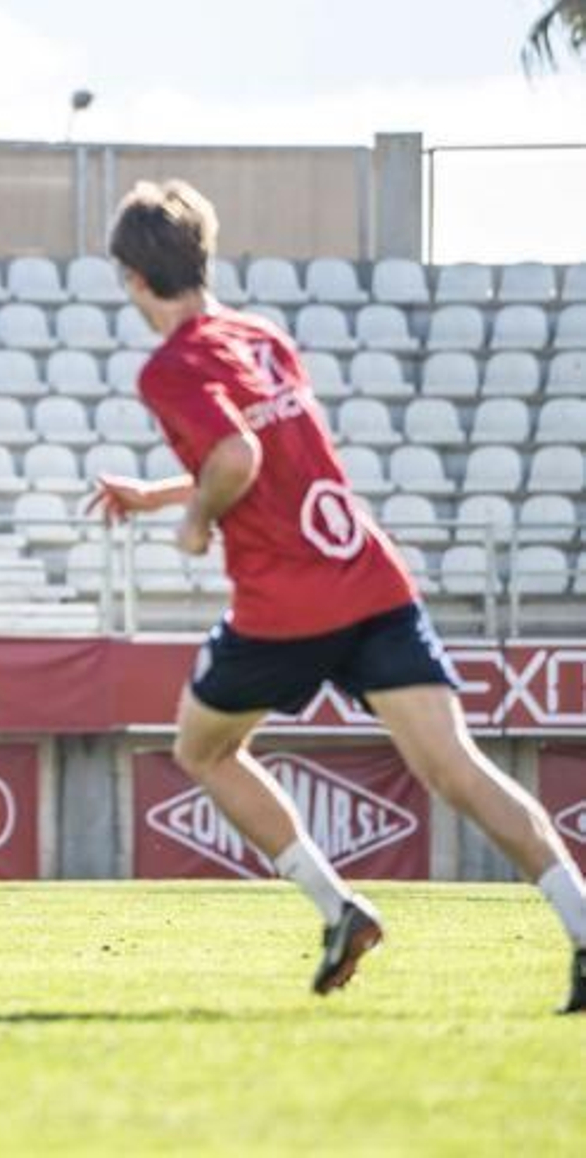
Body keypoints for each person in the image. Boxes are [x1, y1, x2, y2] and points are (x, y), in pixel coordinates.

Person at [90, 180, 586, 1014]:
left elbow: (238, 459)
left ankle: (339, 907)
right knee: (456, 769)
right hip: (368, 576)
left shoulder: (169, 367)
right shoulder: (263, 338)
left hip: (284, 605)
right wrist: (159, 494)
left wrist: (196, 522)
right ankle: (581, 922)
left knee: (202, 750)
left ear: (136, 280)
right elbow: (262, 455)